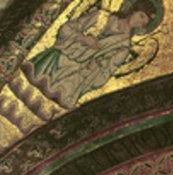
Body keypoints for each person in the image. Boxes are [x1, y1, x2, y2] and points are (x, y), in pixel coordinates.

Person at [22, 1, 155, 109]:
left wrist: (93, 69)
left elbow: (106, 72)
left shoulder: (123, 47)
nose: (139, 22)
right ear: (133, 10)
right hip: (55, 62)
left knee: (43, 108)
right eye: (141, 16)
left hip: (74, 79)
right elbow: (65, 29)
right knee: (22, 91)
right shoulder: (102, 17)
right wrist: (82, 38)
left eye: (143, 23)